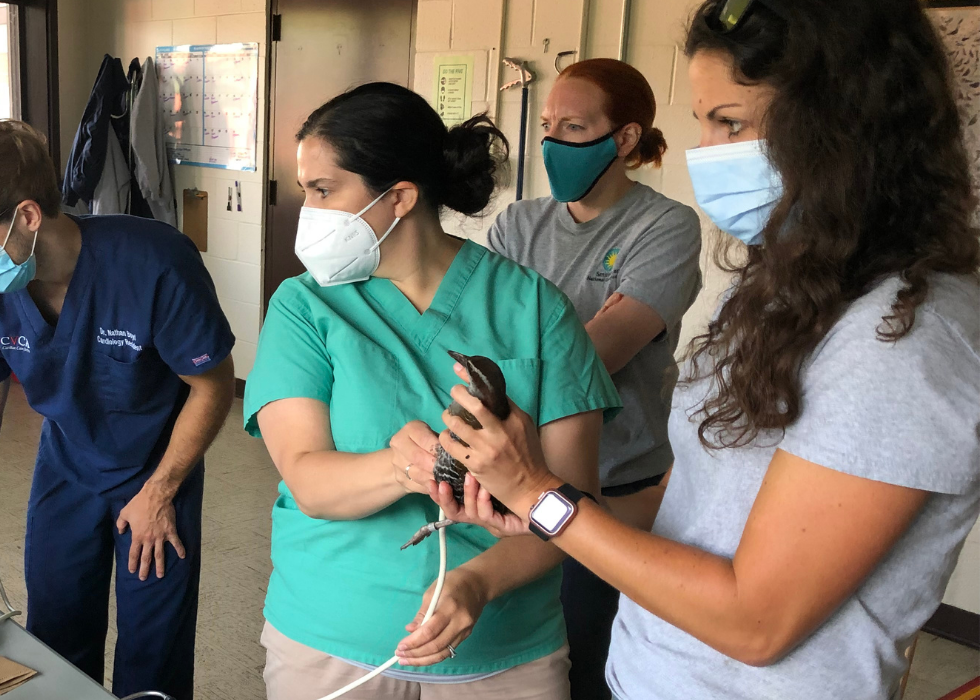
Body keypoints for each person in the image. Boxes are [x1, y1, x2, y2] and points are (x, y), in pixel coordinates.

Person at [427, 1, 980, 699]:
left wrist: (541, 493)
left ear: (844, 128)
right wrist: (520, 534)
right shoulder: (781, 292)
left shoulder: (904, 338)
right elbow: (679, 501)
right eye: (704, 122)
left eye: (732, 123)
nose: (709, 152)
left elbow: (756, 622)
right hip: (651, 672)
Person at [243, 82, 621, 700]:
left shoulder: (534, 309)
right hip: (333, 636)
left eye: (322, 190)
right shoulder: (304, 306)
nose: (307, 210)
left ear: (399, 198)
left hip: (504, 647)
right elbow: (308, 479)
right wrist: (402, 467)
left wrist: (476, 583)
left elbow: (577, 508)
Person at [0, 120, 236, 700]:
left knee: (154, 643)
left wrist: (162, 490)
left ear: (26, 216)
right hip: (67, 463)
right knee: (55, 630)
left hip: (156, 463)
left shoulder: (153, 262)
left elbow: (212, 386)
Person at [484, 58, 701, 700]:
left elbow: (592, 361)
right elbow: (483, 352)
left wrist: (533, 348)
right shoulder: (517, 224)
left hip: (614, 490)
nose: (553, 143)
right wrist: (567, 340)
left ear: (625, 138)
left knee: (586, 662)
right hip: (515, 475)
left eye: (574, 127)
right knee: (513, 657)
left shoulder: (665, 226)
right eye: (548, 125)